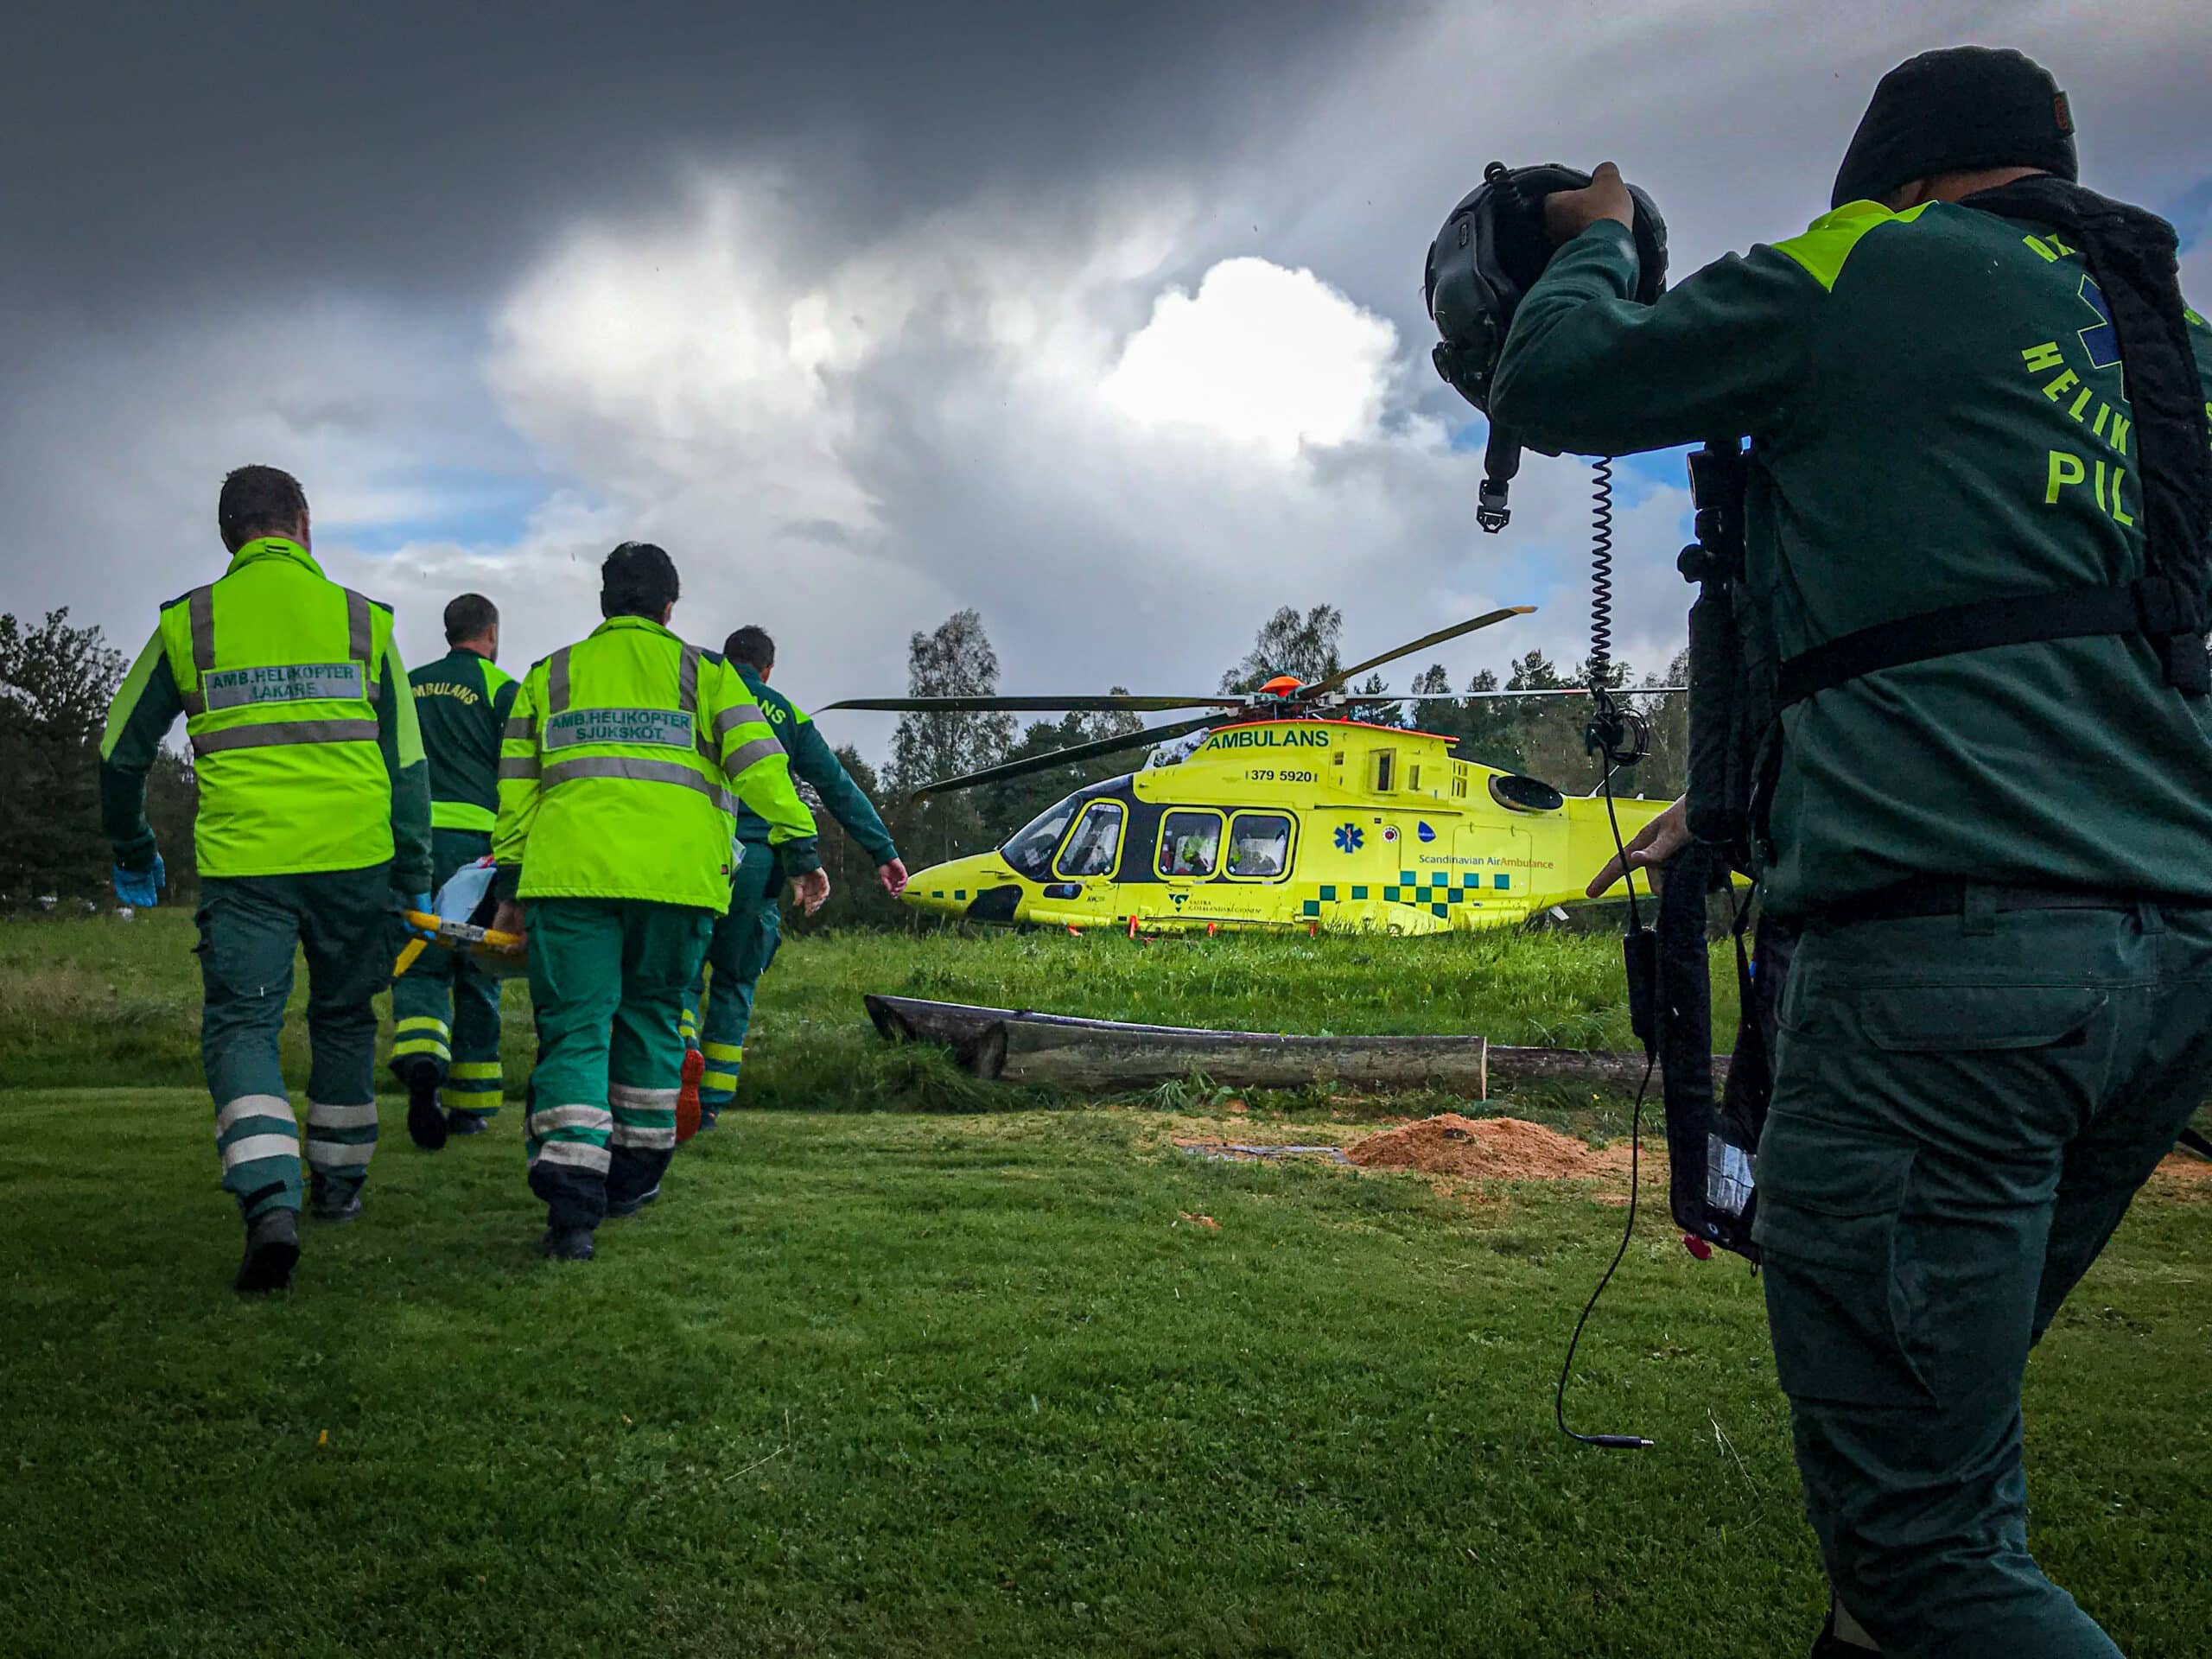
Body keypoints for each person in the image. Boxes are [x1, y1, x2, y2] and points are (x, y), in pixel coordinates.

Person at [1507, 48, 2212, 1658]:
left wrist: (1598, 236)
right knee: (1924, 1477)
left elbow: (1563, 383)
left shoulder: (1880, 263)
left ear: (1891, 174)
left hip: (1950, 974)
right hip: (2162, 963)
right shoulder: (2166, 344)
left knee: (1927, 1554)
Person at [99, 465, 433, 1293]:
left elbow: (117, 753)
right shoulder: (363, 619)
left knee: (242, 1030)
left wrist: (136, 849)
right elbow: (409, 766)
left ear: (228, 535)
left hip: (246, 866)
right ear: (304, 524)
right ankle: (341, 1186)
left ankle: (269, 1202)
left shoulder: (191, 623)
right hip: (356, 860)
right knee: (346, 1018)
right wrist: (415, 877)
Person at [491, 544, 827, 1261]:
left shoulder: (548, 676)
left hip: (570, 878)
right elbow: (764, 768)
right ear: (670, 607)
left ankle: (572, 1207)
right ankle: (634, 1179)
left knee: (578, 1028)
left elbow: (517, 791)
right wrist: (801, 851)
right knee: (650, 1021)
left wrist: (510, 884)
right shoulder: (706, 674)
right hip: (677, 887)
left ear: (604, 599)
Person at [680, 626, 903, 1129]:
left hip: (695, 855)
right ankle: (710, 1102)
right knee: (736, 982)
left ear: (727, 658)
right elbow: (837, 786)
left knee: (681, 975)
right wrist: (882, 851)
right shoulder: (786, 714)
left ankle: (677, 1064)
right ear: (768, 669)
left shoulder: (701, 697)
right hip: (759, 866)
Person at [388, 593, 520, 1147]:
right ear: (490, 633)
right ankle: (471, 1106)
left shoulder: (409, 684)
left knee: (419, 960)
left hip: (411, 838)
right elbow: (518, 771)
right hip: (476, 851)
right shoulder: (501, 689)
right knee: (478, 968)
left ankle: (422, 1059)